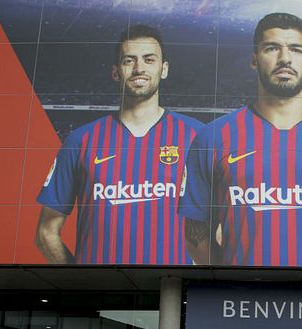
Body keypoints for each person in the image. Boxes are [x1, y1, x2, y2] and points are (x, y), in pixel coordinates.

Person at [180, 12, 302, 268]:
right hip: (243, 299)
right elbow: (195, 231)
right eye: (272, 48)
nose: (285, 58)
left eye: (296, 50)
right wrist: (233, 280)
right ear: (255, 60)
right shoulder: (212, 137)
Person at [36, 24, 203, 265]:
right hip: (102, 295)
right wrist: (81, 282)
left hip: (177, 295)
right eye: (129, 61)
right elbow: (46, 232)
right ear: (115, 72)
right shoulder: (80, 141)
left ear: (164, 69)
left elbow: (221, 226)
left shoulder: (198, 137)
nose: (139, 68)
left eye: (149, 60)